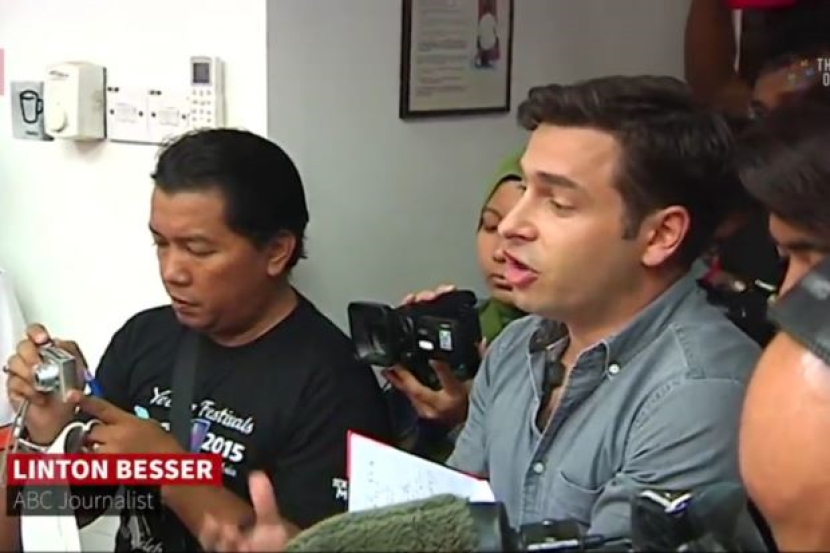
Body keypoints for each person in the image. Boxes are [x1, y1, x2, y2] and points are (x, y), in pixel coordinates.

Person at [198, 76, 768, 551]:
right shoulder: (519, 347)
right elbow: (450, 525)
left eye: (557, 202)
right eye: (522, 192)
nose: (514, 226)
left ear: (660, 235)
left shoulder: (699, 392)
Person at [4, 128, 393, 552]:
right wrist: (46, 437)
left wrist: (171, 473)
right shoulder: (145, 338)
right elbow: (57, 513)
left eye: (198, 250)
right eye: (161, 243)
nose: (172, 271)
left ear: (277, 251)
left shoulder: (335, 386)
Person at [382, 154, 526, 455]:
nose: (500, 252)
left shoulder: (569, 350)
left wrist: (470, 416)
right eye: (490, 226)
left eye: (523, 235)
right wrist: (416, 367)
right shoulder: (468, 323)